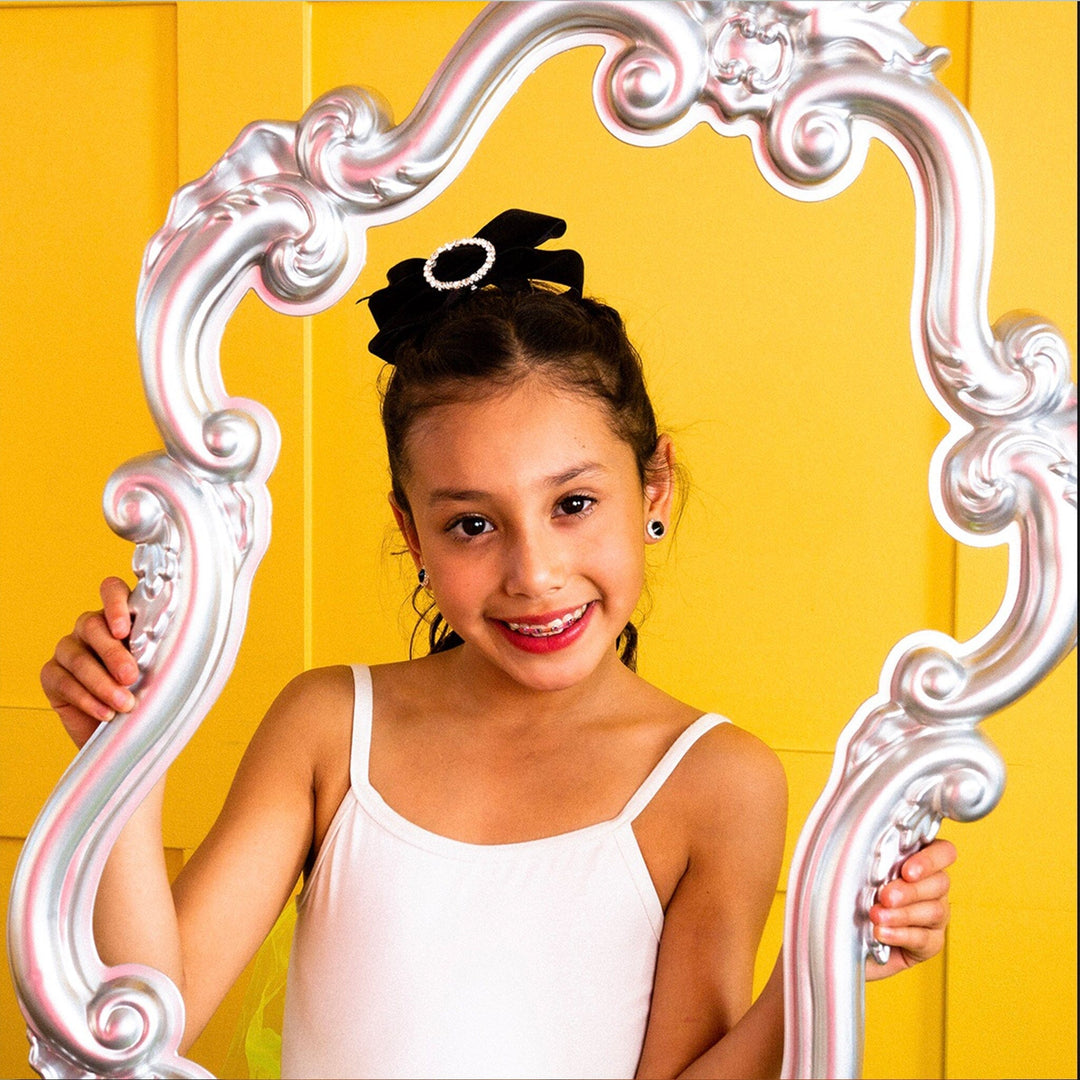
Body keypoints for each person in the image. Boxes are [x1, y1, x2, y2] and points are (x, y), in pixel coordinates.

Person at [40, 210, 956, 1080]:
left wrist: (824, 964)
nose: (534, 573)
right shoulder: (328, 727)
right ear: (412, 531)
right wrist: (124, 754)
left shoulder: (718, 783)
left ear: (655, 488)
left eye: (573, 504)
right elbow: (151, 1016)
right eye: (472, 524)